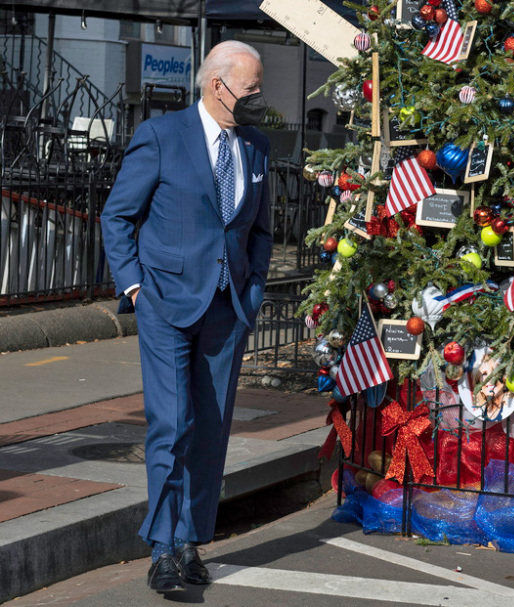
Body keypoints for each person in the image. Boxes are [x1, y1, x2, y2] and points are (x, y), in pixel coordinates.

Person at [101, 40, 272, 594]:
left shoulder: (256, 147)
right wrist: (134, 288)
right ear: (216, 85)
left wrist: (252, 292)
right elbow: (118, 215)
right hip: (166, 303)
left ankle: (190, 541)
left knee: (210, 433)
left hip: (227, 309)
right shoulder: (161, 136)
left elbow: (262, 232)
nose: (256, 100)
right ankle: (163, 549)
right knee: (172, 427)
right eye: (250, 89)